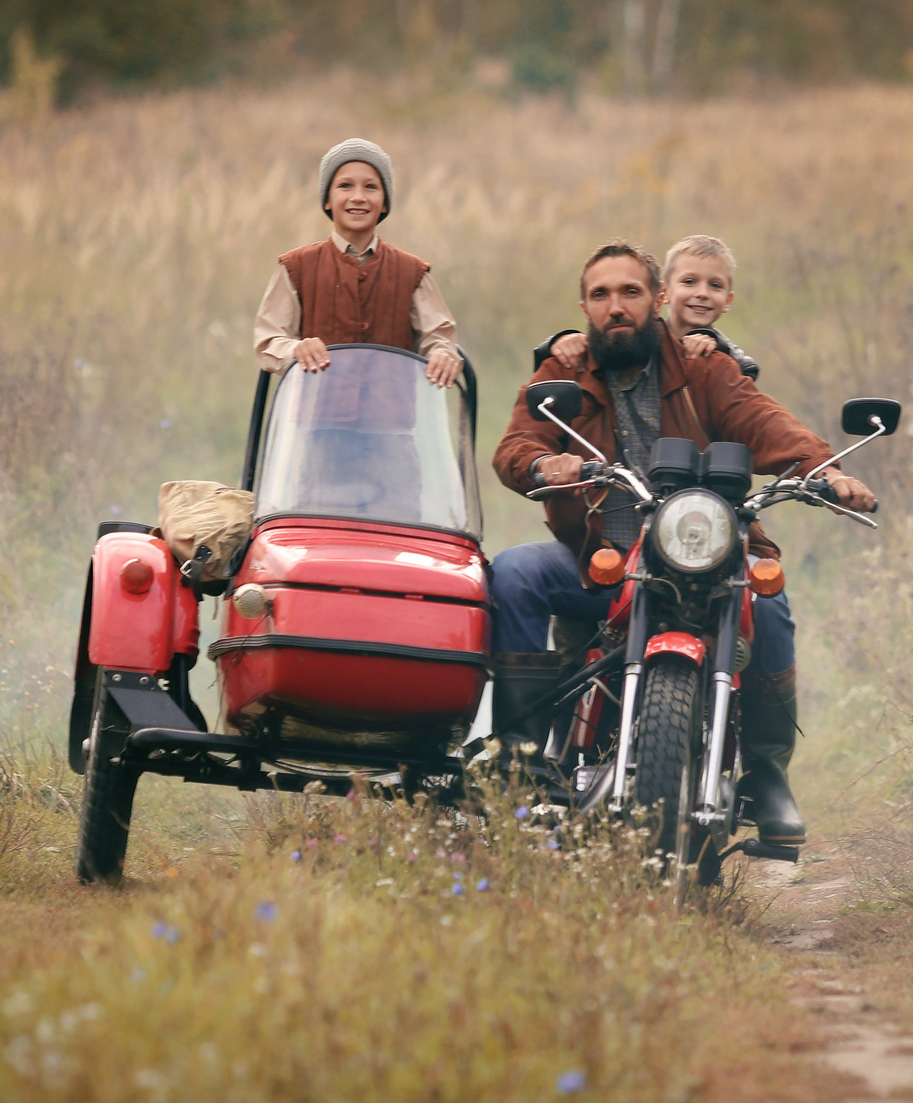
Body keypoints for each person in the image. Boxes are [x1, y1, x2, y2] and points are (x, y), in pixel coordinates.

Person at [488, 241, 876, 849]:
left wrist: (825, 471)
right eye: (601, 295)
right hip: (600, 563)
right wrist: (543, 465)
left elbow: (765, 423)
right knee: (513, 572)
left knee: (768, 603)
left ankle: (767, 775)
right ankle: (519, 754)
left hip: (705, 558)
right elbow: (516, 445)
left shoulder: (704, 367)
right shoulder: (561, 371)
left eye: (630, 293)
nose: (616, 307)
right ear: (585, 306)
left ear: (657, 300)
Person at [253, 137, 464, 388]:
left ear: (385, 202)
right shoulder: (295, 267)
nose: (358, 197)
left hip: (391, 423)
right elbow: (269, 341)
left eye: (371, 187)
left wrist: (441, 355)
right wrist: (296, 349)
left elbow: (439, 337)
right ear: (327, 200)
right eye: (345, 186)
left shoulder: (414, 273)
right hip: (313, 421)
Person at [534, 233, 759, 379]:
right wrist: (557, 343)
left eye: (715, 285)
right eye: (689, 282)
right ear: (664, 294)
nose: (702, 293)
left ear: (728, 300)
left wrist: (717, 347)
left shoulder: (727, 358)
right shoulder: (640, 337)